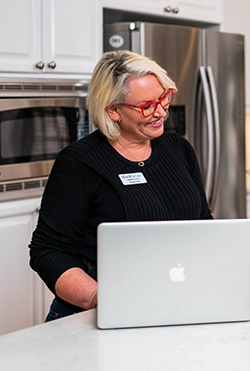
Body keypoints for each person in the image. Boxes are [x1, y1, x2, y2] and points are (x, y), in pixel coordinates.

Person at [29, 50, 213, 321]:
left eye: (164, 98)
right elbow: (48, 251)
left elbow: (201, 223)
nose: (161, 112)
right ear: (113, 110)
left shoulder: (179, 150)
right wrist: (98, 297)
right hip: (95, 314)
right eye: (146, 105)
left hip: (172, 303)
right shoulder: (79, 163)